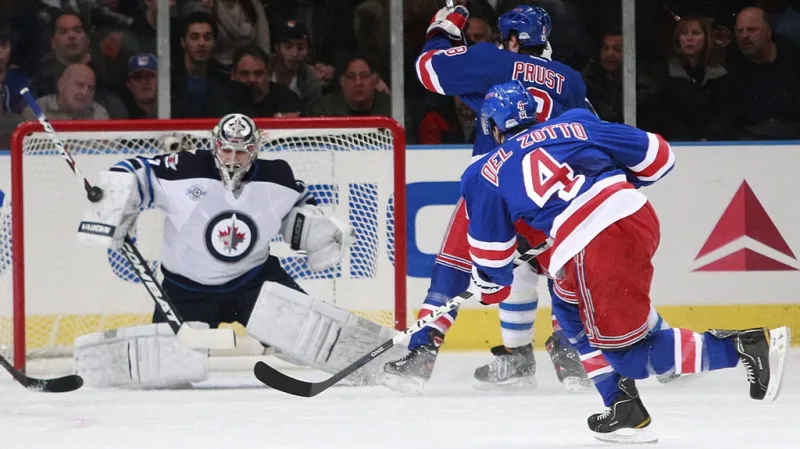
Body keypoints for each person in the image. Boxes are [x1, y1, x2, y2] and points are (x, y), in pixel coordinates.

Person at [461, 80, 790, 442]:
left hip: (598, 243)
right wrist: (608, 183)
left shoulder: (484, 172)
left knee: (630, 357)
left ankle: (743, 345)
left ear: (491, 125)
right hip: (634, 217)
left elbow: (493, 261)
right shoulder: (575, 122)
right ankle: (622, 406)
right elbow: (659, 157)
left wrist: (487, 285)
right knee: (567, 305)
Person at [72, 114, 404, 389]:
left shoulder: (278, 176)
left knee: (306, 334)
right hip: (186, 292)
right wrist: (115, 194)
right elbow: (135, 170)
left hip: (254, 283)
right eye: (227, 151)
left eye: (241, 153)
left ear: (254, 149)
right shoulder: (182, 168)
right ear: (215, 145)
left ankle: (392, 366)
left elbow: (302, 206)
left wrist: (317, 230)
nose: (233, 159)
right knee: (168, 370)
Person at [384, 4, 594, 390]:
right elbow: (589, 131)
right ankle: (567, 350)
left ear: (511, 38)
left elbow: (427, 69)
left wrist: (446, 28)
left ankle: (421, 354)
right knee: (557, 269)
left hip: (494, 177)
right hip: (548, 190)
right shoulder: (570, 79)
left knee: (454, 265)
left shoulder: (492, 60)